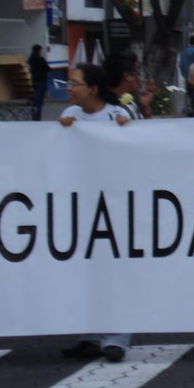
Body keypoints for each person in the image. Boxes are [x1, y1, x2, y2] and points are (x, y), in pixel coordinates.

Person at [57, 63, 131, 362]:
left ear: (93, 88)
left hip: (114, 205)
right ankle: (86, 334)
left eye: (75, 83)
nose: (69, 88)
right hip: (81, 204)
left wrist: (129, 129)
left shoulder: (116, 116)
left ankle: (116, 338)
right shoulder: (71, 116)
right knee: (83, 271)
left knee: (114, 272)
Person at [104, 51, 152, 120]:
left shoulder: (130, 103)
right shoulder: (116, 111)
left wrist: (146, 109)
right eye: (137, 72)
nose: (141, 78)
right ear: (127, 76)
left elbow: (146, 129)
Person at [27, 44, 51, 121]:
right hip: (41, 80)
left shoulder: (31, 59)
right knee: (39, 100)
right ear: (39, 51)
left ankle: (34, 113)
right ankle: (37, 116)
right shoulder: (41, 59)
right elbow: (47, 68)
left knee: (36, 98)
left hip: (35, 80)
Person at [179, 34, 194, 114]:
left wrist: (185, 75)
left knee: (188, 95)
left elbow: (181, 65)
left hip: (187, 77)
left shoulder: (183, 52)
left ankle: (189, 110)